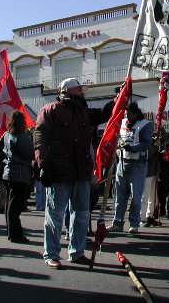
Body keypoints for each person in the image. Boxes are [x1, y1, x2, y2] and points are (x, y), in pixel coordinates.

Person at [34, 78, 113, 269]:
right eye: (80, 89)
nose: (83, 92)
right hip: (59, 171)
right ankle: (51, 254)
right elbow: (40, 138)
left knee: (82, 214)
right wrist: (42, 165)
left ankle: (76, 252)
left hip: (81, 172)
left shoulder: (84, 112)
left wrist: (117, 99)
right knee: (55, 214)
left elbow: (104, 114)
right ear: (69, 91)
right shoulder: (50, 110)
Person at [108, 102, 153, 234]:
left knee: (135, 196)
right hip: (122, 161)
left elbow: (146, 143)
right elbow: (115, 136)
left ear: (136, 113)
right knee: (119, 196)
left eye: (129, 114)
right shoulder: (122, 122)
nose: (127, 116)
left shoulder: (146, 124)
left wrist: (132, 148)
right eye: (126, 113)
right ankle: (117, 222)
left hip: (137, 163)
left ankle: (134, 223)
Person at [0, 111, 34, 242]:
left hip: (7, 172)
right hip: (20, 173)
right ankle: (15, 234)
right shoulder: (23, 137)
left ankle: (11, 231)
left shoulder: (5, 135)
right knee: (15, 206)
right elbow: (29, 154)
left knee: (9, 204)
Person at [141, 134, 160, 227]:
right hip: (147, 173)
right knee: (145, 196)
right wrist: (155, 146)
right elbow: (148, 153)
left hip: (154, 173)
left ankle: (149, 216)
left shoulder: (155, 146)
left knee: (153, 198)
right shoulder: (147, 145)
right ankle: (142, 218)